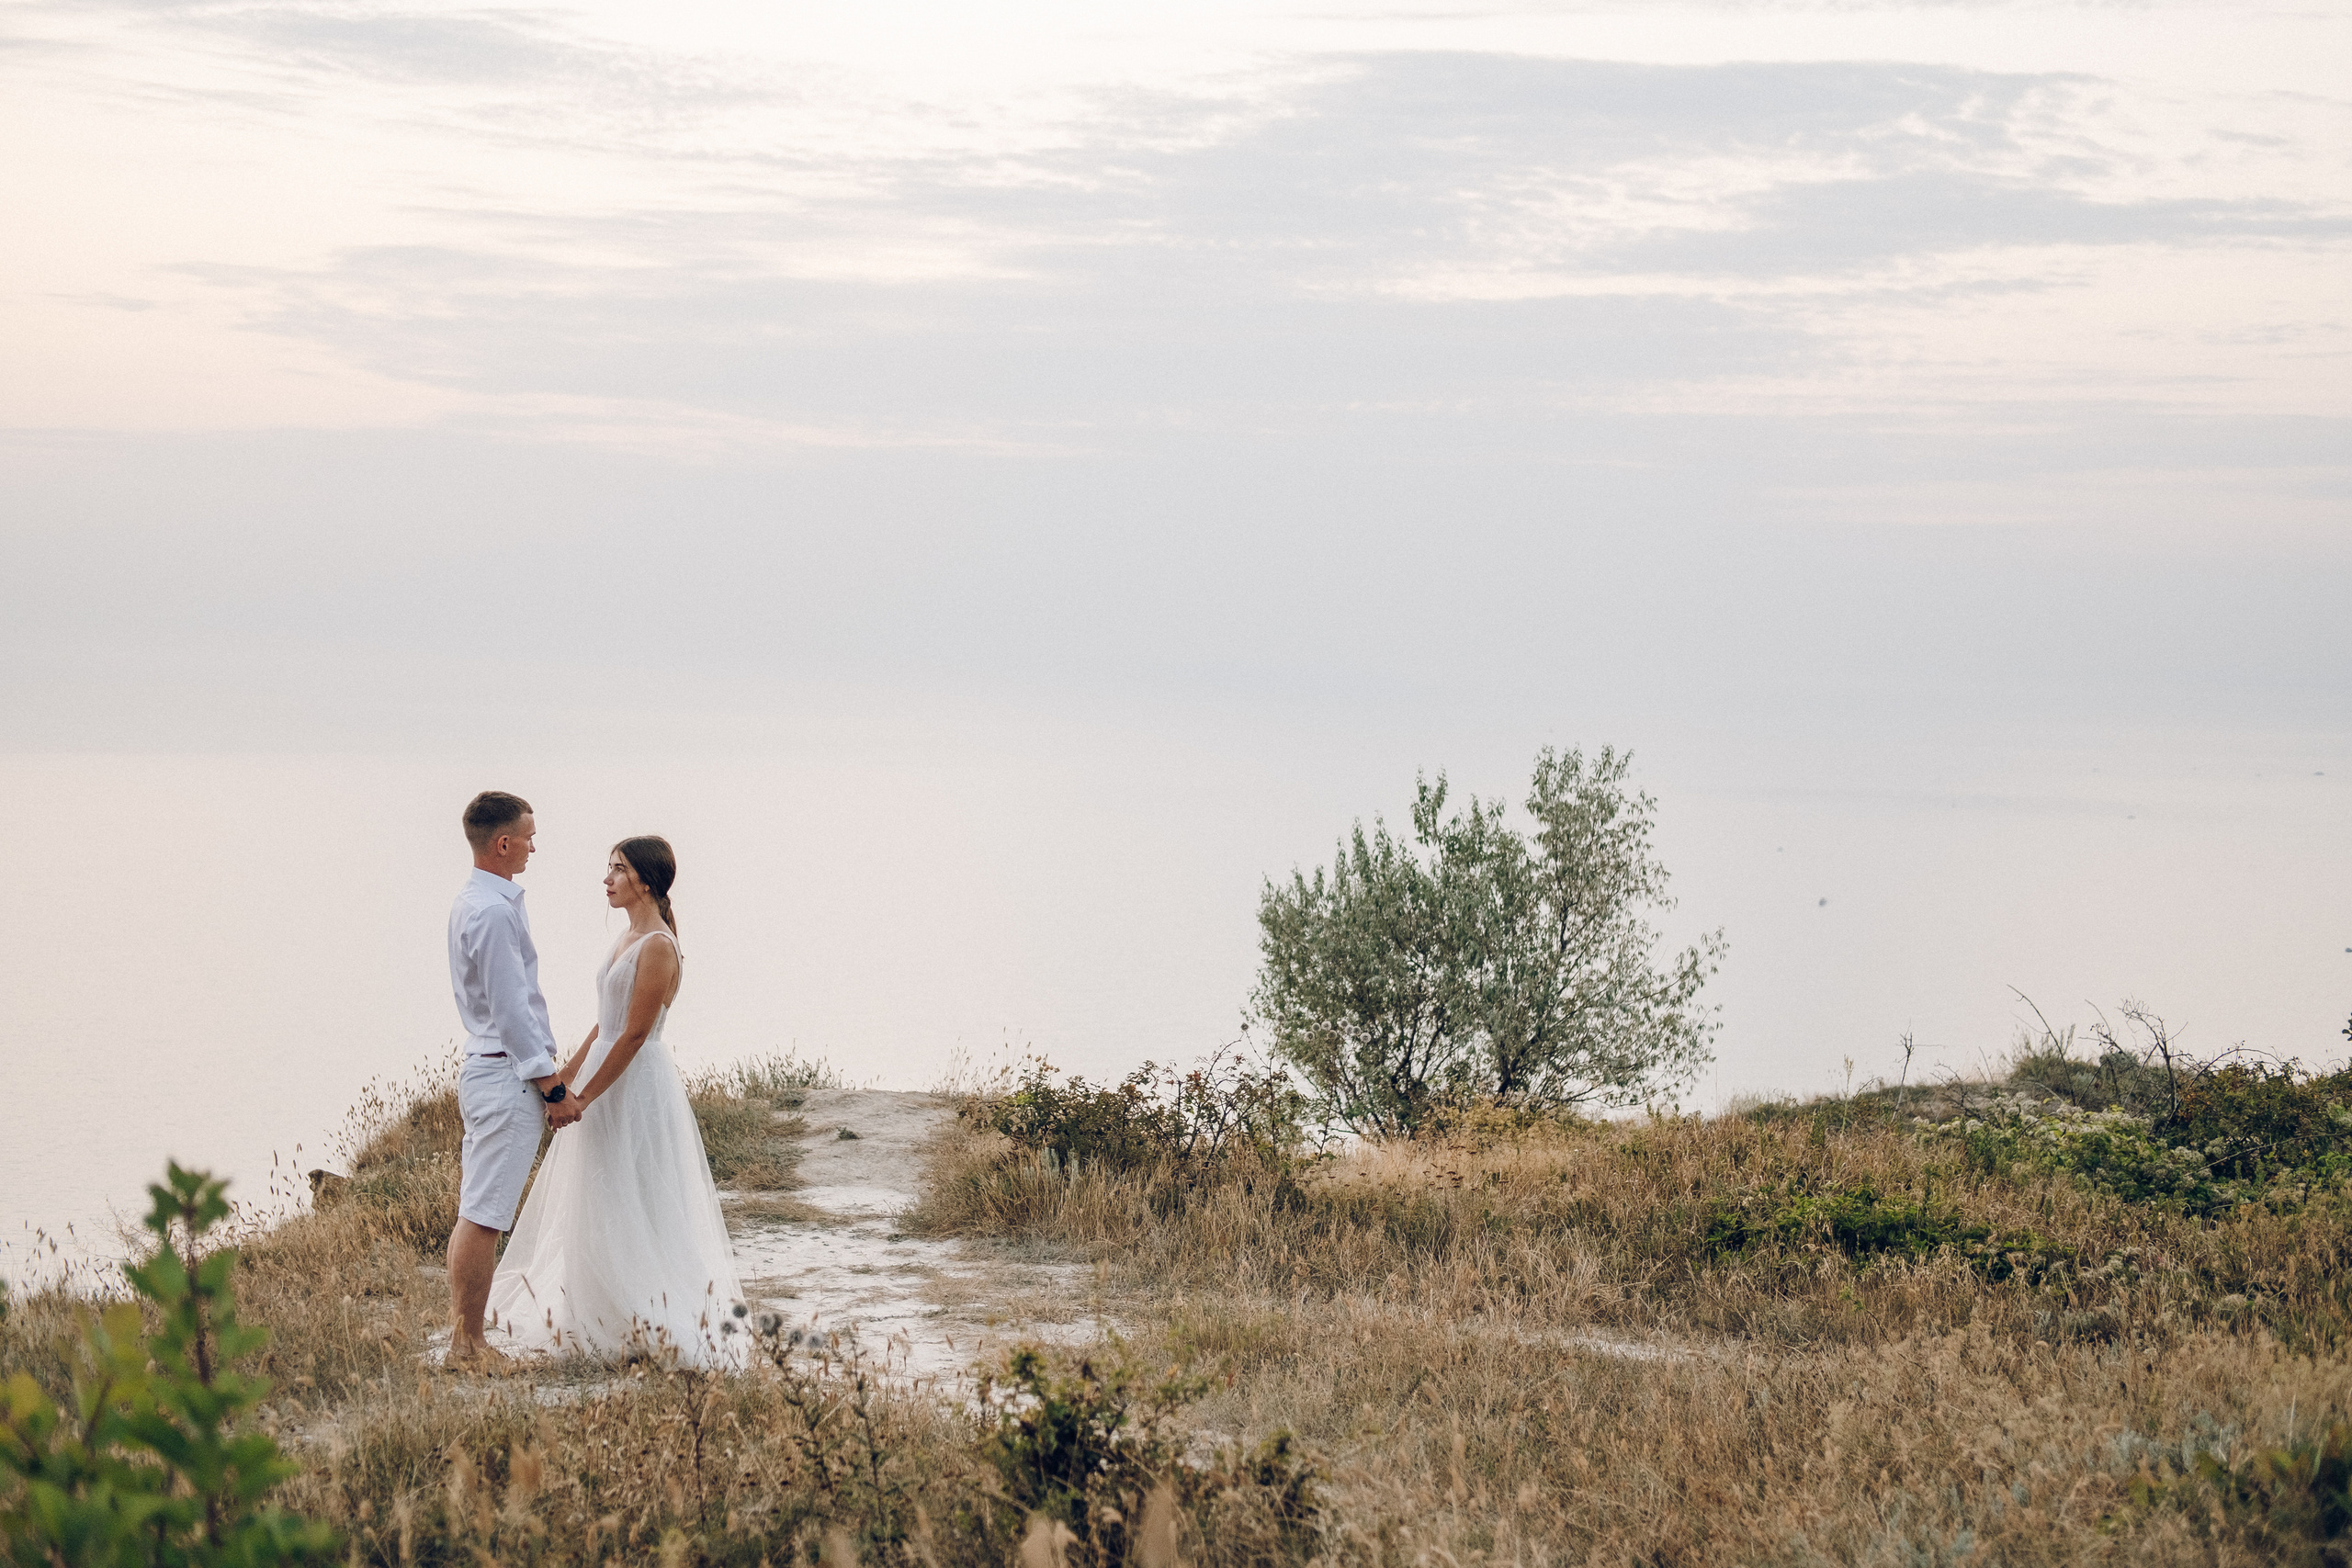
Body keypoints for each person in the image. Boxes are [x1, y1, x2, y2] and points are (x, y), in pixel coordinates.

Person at [485, 835, 747, 1366]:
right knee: (598, 1190)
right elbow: (604, 1025)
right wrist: (564, 1075)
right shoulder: (626, 936)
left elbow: (632, 1035)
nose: (607, 878)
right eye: (609, 868)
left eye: (618, 869)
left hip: (635, 1085)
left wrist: (582, 1096)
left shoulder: (657, 945)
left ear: (645, 881)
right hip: (605, 1079)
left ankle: (645, 1312)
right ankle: (593, 1306)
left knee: (637, 1190)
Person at [445, 790, 580, 1372]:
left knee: (477, 1210)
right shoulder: (494, 911)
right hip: (503, 1075)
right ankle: (468, 1346)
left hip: (487, 1068)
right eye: (528, 835)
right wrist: (553, 1088)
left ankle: (464, 1339)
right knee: (484, 1216)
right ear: (503, 843)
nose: (533, 844)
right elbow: (513, 1011)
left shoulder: (475, 901)